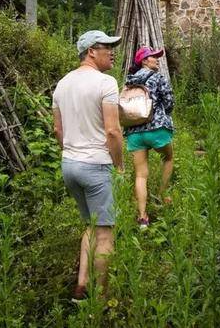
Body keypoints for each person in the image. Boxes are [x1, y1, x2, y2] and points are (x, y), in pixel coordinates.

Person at [52, 30, 123, 300]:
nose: (112, 51)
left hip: (69, 165)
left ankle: (81, 287)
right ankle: (101, 299)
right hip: (96, 166)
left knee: (90, 226)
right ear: (91, 51)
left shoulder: (62, 84)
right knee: (105, 234)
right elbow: (113, 131)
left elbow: (58, 129)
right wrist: (119, 165)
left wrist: (71, 154)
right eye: (107, 47)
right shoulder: (105, 83)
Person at [124, 46, 174, 229]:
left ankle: (143, 217)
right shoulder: (158, 77)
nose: (157, 60)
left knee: (140, 175)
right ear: (144, 61)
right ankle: (162, 194)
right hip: (157, 128)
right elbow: (169, 102)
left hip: (135, 132)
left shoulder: (129, 80)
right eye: (154, 57)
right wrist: (163, 113)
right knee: (168, 158)